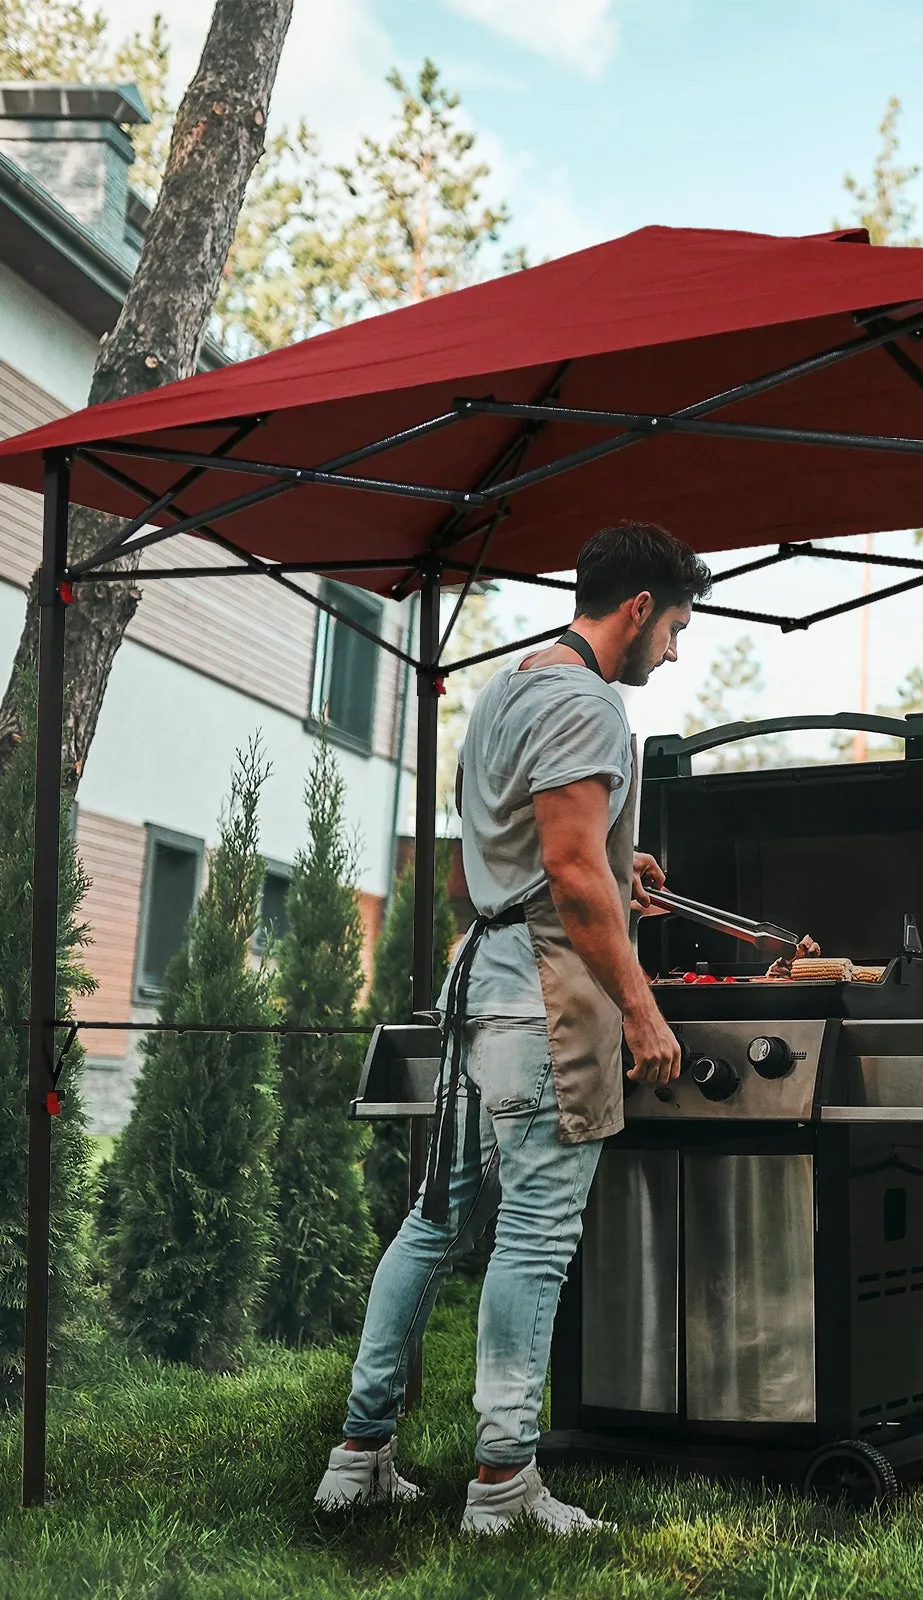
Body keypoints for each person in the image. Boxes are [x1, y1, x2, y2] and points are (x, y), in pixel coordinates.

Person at [313, 521, 712, 1533]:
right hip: (539, 999)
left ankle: (357, 1456)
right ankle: (502, 1485)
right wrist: (638, 1005)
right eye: (673, 628)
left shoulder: (508, 687)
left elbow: (496, 858)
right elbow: (569, 871)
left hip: (474, 990)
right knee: (533, 1241)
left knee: (434, 1223)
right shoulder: (585, 701)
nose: (673, 650)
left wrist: (616, 867)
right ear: (636, 609)